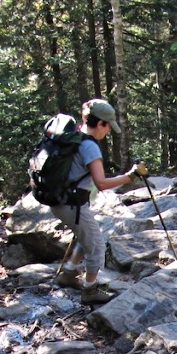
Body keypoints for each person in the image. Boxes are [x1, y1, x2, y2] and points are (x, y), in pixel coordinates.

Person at [51, 98, 146, 305]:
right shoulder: (89, 147)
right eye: (108, 127)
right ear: (100, 123)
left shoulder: (75, 135)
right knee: (96, 245)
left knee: (84, 235)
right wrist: (131, 176)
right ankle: (90, 290)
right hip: (71, 204)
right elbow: (101, 183)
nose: (108, 131)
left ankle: (68, 273)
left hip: (61, 199)